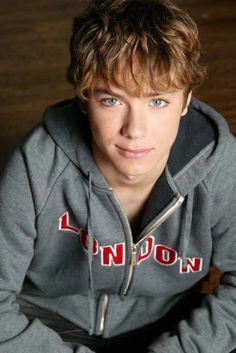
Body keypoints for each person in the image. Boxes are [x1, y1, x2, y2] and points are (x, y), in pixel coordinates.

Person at [0, 0, 236, 352]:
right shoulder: (37, 164)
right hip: (50, 322)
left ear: (187, 100)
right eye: (112, 100)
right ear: (85, 98)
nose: (135, 130)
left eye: (157, 101)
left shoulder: (218, 165)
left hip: (167, 325)